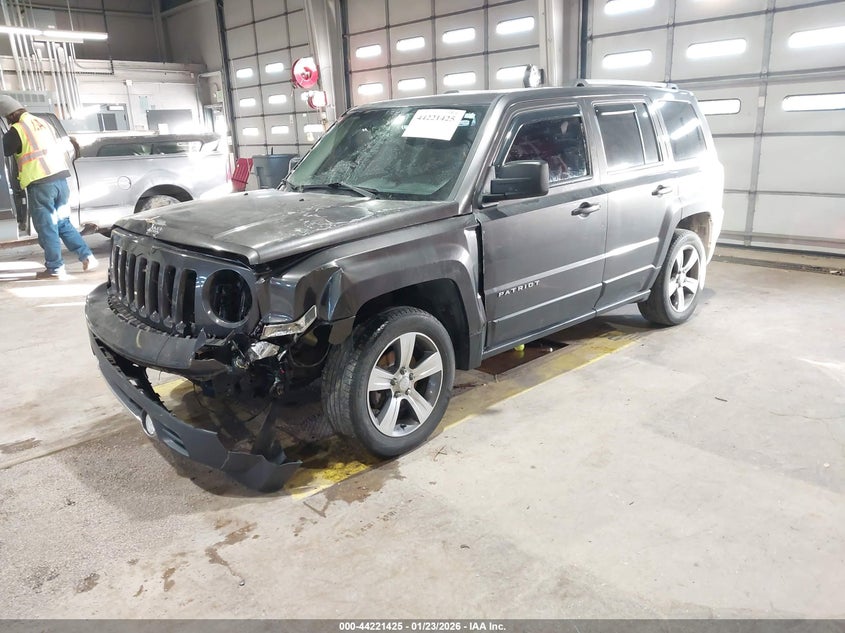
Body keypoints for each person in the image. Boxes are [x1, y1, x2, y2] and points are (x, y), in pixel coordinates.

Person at [0, 95, 97, 279]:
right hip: (61, 179)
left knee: (47, 227)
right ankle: (87, 256)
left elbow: (3, 150)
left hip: (41, 183)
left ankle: (55, 268)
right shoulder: (43, 122)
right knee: (63, 223)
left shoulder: (18, 129)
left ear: (9, 116)